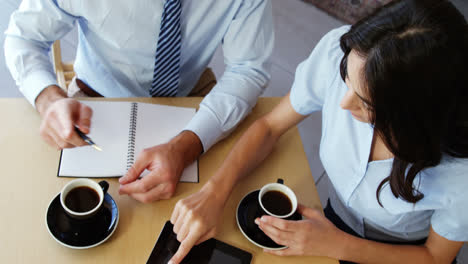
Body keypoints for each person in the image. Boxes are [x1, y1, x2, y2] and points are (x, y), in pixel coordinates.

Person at [169, 0, 468, 263]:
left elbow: (435, 257)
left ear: (414, 118)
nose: (342, 103)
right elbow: (270, 127)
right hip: (329, 225)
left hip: (401, 252)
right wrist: (215, 191)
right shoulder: (344, 52)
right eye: (346, 79)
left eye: (366, 103)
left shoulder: (460, 172)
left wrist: (336, 245)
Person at [4, 0, 274, 202]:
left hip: (190, 92)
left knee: (215, 200)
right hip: (94, 96)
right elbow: (23, 37)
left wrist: (185, 148)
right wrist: (49, 99)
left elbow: (248, 68)